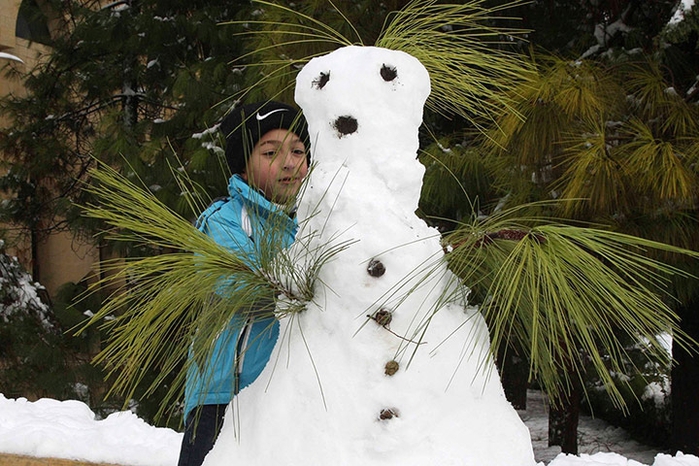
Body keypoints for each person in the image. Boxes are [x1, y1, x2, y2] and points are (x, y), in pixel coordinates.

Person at [177, 101, 310, 466]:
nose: (289, 162)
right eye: (271, 152)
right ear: (244, 167)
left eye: (298, 151)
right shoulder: (224, 220)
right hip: (223, 396)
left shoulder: (317, 223)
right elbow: (241, 285)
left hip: (289, 394)